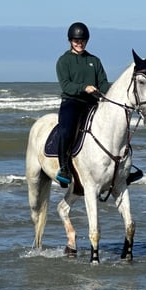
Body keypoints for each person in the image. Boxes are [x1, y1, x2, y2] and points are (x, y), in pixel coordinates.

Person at [55, 22, 111, 187]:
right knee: (66, 131)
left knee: (114, 128)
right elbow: (66, 85)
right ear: (70, 41)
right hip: (72, 102)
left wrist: (116, 90)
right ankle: (64, 168)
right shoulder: (64, 61)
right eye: (76, 40)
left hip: (92, 103)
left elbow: (103, 83)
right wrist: (83, 87)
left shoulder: (94, 60)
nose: (79, 43)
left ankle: (120, 167)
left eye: (82, 40)